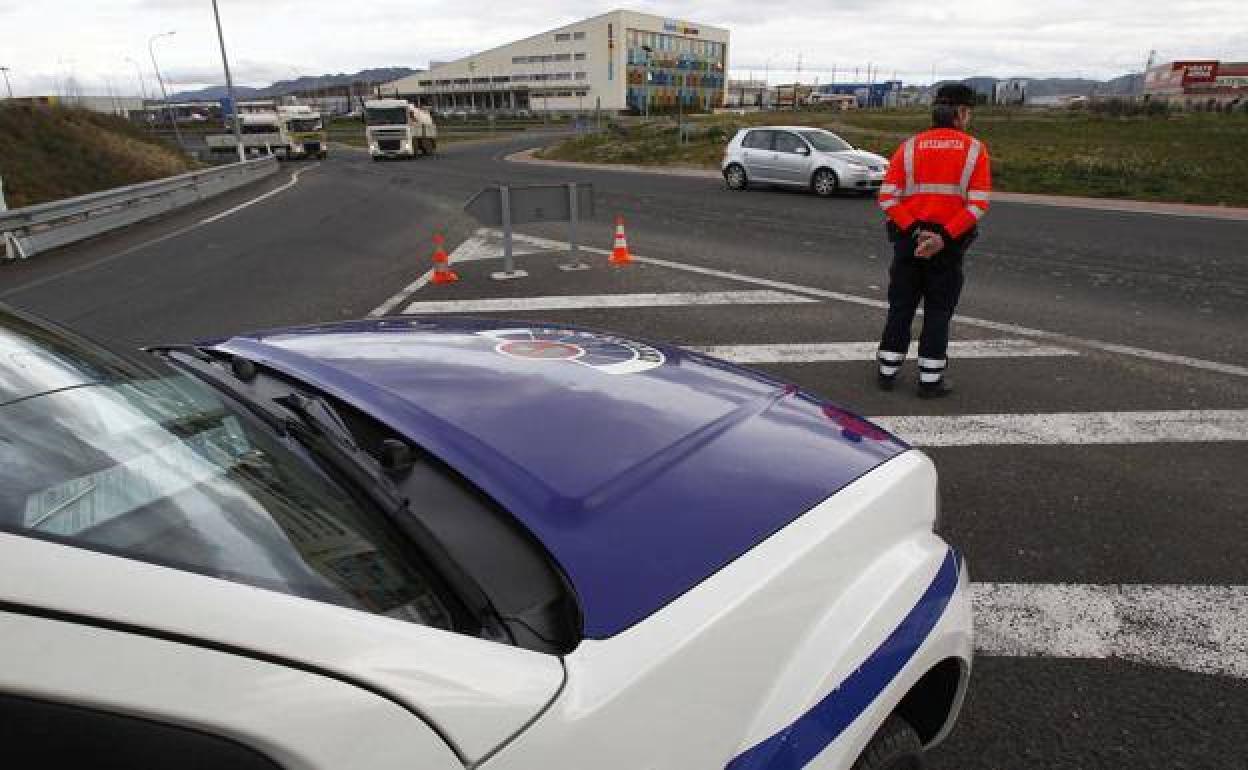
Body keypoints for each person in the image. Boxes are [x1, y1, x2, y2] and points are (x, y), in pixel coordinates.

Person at [875, 83, 991, 398]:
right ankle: (930, 379)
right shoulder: (975, 150)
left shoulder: (909, 147)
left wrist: (915, 232)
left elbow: (887, 198)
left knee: (900, 306)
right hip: (948, 246)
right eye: (968, 112)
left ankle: (887, 371)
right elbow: (978, 203)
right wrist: (942, 237)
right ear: (961, 113)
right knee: (938, 311)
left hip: (908, 241)